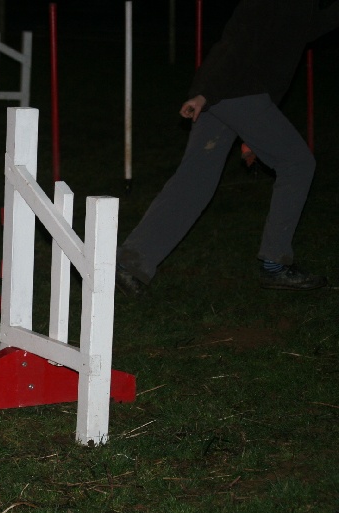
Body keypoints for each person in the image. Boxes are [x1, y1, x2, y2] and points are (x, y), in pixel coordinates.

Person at [116, 0, 339, 297]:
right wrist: (204, 93)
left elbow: (307, 27)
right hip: (235, 91)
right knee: (298, 164)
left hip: (230, 94)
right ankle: (275, 265)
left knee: (194, 180)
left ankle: (128, 265)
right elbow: (237, 39)